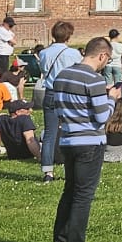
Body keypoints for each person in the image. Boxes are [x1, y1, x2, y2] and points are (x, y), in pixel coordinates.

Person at [50, 35, 114, 242]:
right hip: (90, 141)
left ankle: (61, 240)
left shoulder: (62, 75)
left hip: (68, 139)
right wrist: (112, 99)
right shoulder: (94, 79)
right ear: (102, 55)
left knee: (70, 190)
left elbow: (57, 109)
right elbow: (102, 116)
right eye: (107, 60)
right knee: (83, 195)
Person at [35, 23, 83, 184]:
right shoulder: (74, 53)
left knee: (50, 134)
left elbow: (43, 70)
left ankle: (47, 171)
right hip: (69, 93)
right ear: (68, 36)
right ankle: (73, 167)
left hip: (51, 92)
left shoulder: (44, 53)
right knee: (72, 131)